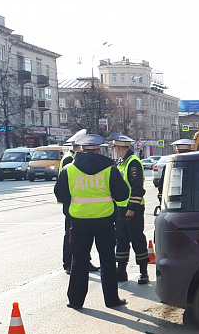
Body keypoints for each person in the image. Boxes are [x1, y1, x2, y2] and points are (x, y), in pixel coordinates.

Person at [54, 134, 129, 309]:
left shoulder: (69, 170)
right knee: (108, 261)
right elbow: (122, 195)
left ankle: (76, 301)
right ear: (98, 150)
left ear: (81, 150)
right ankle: (111, 300)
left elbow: (60, 195)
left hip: (79, 223)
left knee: (79, 262)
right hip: (105, 223)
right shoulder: (110, 170)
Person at [110, 133, 150, 284]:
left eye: (115, 147)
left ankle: (143, 273)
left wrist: (131, 208)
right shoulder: (121, 162)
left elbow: (137, 188)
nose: (114, 150)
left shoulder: (133, 163)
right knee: (121, 240)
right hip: (120, 209)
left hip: (133, 209)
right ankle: (121, 271)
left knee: (137, 240)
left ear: (119, 147)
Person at [60, 130, 98, 275]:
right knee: (70, 236)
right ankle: (68, 263)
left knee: (83, 236)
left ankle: (85, 261)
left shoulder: (73, 157)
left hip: (78, 202)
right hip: (72, 203)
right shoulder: (69, 159)